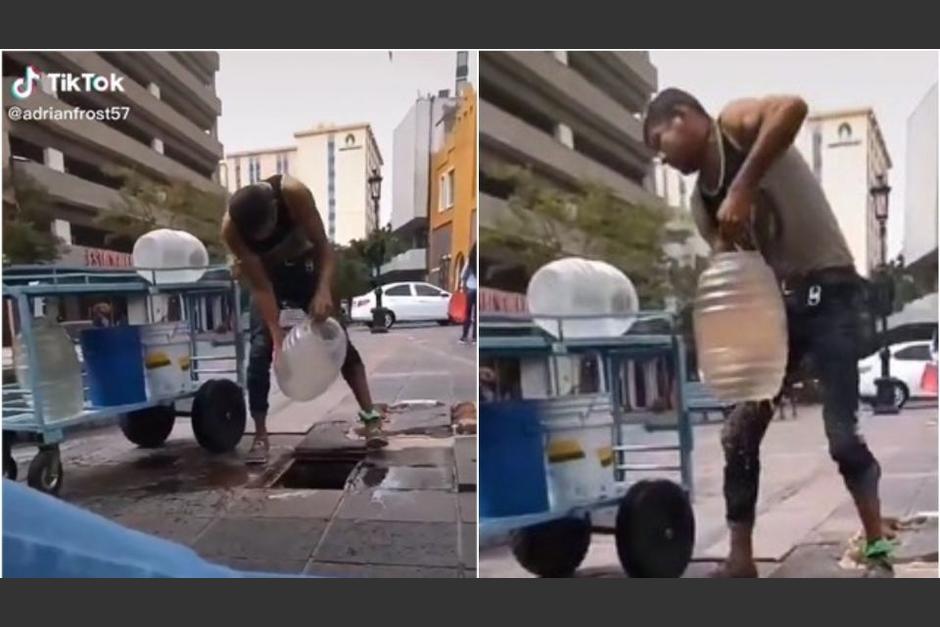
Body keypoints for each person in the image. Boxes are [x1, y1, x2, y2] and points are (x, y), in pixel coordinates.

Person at [644, 88, 890, 577]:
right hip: (782, 311)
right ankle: (741, 559)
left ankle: (880, 551)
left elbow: (793, 107)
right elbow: (735, 275)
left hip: (833, 291)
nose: (661, 158)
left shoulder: (734, 125)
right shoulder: (701, 202)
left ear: (682, 117)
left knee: (842, 438)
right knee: (739, 431)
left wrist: (745, 185)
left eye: (659, 141)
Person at [222, 174, 385, 464]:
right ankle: (260, 434)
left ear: (275, 207)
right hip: (270, 277)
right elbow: (261, 286)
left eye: (268, 229)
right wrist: (276, 338)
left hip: (306, 266)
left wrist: (323, 290)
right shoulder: (231, 231)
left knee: (340, 340)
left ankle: (371, 419)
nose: (264, 239)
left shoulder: (293, 193)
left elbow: (324, 247)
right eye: (257, 236)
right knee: (259, 352)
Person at [459, 244, 478, 344]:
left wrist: (463, 286)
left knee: (467, 314)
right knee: (477, 316)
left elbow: (463, 274)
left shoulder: (470, 261)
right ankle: (475, 338)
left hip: (470, 289)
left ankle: (464, 336)